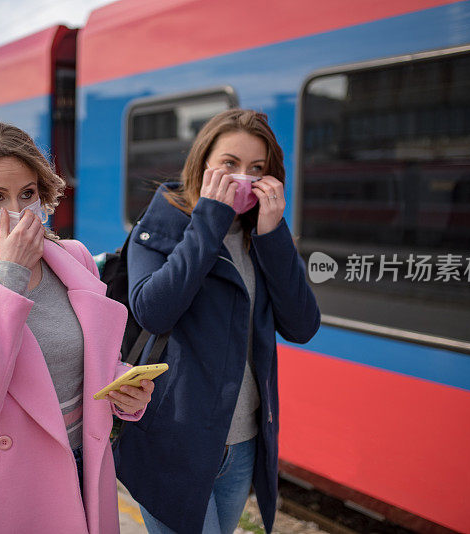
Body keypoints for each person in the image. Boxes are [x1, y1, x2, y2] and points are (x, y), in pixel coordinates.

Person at [0, 122, 153, 533]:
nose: (17, 211)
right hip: (4, 483)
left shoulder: (73, 258)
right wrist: (9, 277)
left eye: (27, 194)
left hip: (82, 465)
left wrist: (123, 386)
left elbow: (89, 361)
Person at [113, 109, 321, 534]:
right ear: (203, 163)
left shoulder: (259, 236)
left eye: (257, 169)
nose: (243, 178)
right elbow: (153, 310)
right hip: (172, 443)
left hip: (242, 442)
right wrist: (208, 220)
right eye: (229, 164)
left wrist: (273, 233)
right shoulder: (159, 226)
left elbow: (302, 325)